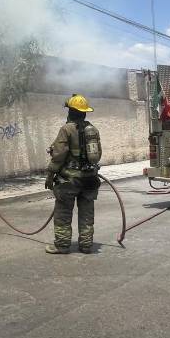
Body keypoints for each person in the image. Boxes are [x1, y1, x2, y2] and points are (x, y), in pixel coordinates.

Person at [44, 94, 102, 254]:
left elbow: (58, 156)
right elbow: (98, 154)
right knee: (87, 214)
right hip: (90, 180)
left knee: (63, 213)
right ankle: (86, 245)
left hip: (69, 181)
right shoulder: (93, 130)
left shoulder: (66, 129)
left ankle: (62, 245)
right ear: (84, 112)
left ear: (70, 111)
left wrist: (49, 175)